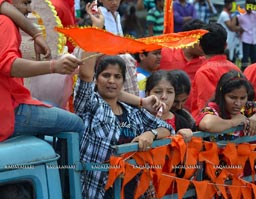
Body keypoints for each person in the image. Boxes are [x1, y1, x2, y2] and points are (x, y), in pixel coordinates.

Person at [74, 54, 174, 199]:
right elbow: (85, 73)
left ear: (123, 82)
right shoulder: (91, 106)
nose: (111, 81)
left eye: (117, 76)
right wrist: (94, 38)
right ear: (96, 79)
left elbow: (167, 129)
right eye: (106, 75)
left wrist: (150, 134)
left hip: (130, 191)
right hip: (97, 191)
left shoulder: (133, 112)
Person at [0, 0, 84, 142]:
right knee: (76, 124)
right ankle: (63, 165)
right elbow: (9, 64)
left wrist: (36, 34)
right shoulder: (5, 22)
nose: (29, 10)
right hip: (9, 113)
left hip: (11, 104)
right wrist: (53, 66)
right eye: (25, 3)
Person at [197, 70, 256, 140]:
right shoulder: (212, 110)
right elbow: (207, 124)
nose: (238, 103)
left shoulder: (246, 108)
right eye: (232, 97)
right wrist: (233, 122)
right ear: (222, 95)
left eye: (243, 98)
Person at [190, 23, 241, 119]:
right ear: (225, 45)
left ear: (200, 46)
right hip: (233, 124)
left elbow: (206, 108)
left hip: (211, 127)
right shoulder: (235, 68)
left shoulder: (204, 72)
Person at [159, 19, 206, 111]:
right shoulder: (165, 53)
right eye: (203, 42)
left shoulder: (206, 63)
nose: (207, 45)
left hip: (193, 116)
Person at [145, 70, 194, 142]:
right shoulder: (135, 117)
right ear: (147, 94)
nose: (164, 97)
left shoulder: (183, 122)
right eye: (158, 92)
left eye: (170, 92)